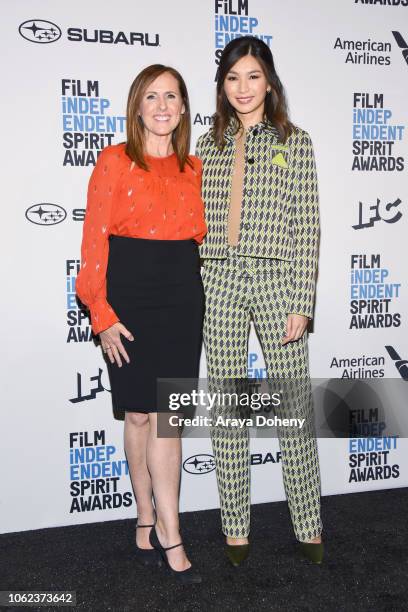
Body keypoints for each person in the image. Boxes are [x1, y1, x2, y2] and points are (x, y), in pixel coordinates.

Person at [195, 36, 323, 566]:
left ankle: (309, 525)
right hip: (217, 279)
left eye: (252, 76)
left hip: (276, 282)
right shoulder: (206, 145)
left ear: (268, 81)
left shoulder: (296, 141)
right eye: (232, 78)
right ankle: (235, 528)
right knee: (228, 407)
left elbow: (307, 225)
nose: (243, 88)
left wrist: (302, 300)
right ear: (222, 87)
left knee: (292, 406)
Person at [76, 64, 206, 584]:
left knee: (167, 417)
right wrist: (101, 313)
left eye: (171, 96)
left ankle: (170, 533)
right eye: (151, 96)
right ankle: (144, 516)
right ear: (137, 106)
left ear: (182, 108)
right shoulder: (113, 162)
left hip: (181, 298)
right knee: (137, 415)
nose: (161, 105)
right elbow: (92, 244)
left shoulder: (195, 168)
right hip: (127, 297)